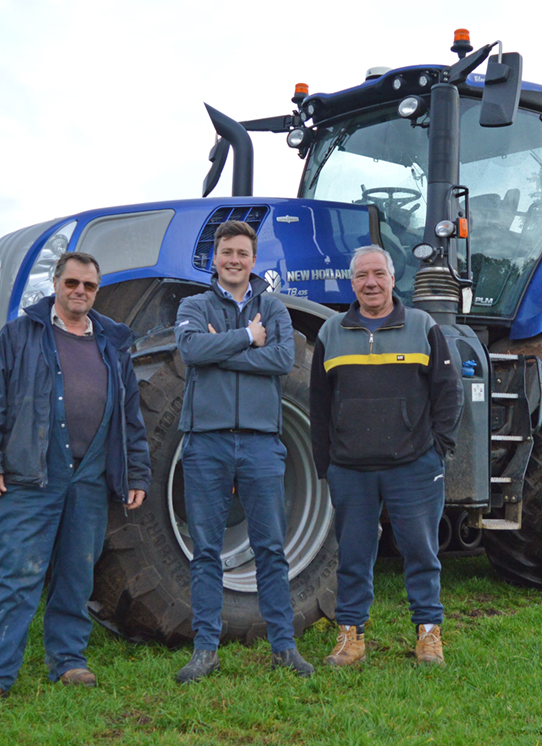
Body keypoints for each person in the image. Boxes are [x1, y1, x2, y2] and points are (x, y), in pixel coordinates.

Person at [0, 251, 151, 709]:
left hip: (89, 477)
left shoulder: (112, 342)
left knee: (76, 573)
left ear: (96, 290)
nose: (79, 292)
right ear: (56, 283)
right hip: (30, 475)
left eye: (88, 285)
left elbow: (130, 416)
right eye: (71, 283)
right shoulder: (20, 335)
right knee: (16, 574)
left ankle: (67, 659)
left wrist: (136, 470)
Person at [172, 219, 314, 683]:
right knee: (206, 550)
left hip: (259, 443)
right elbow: (191, 350)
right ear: (215, 257)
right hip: (205, 441)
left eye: (243, 254)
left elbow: (281, 359)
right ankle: (205, 650)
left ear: (254, 261)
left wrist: (223, 350)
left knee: (271, 548)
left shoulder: (272, 307)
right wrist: (245, 339)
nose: (235, 260)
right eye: (227, 252)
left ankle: (284, 647)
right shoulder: (193, 304)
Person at [309, 245, 462, 666]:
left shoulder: (422, 326)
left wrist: (438, 449)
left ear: (394, 280)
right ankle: (351, 637)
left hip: (413, 466)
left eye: (378, 274)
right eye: (361, 276)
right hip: (351, 470)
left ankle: (429, 634)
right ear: (352, 282)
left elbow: (449, 392)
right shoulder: (331, 333)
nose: (371, 283)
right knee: (353, 555)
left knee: (420, 552)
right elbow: (319, 405)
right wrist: (327, 465)